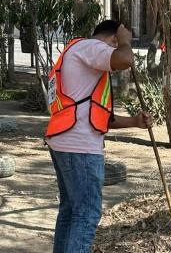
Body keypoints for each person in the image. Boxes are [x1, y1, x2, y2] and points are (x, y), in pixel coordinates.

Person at [45, 20, 153, 252]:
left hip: (64, 140)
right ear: (112, 39)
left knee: (71, 212)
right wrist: (125, 39)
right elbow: (125, 60)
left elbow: (99, 116)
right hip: (80, 148)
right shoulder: (91, 47)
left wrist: (134, 122)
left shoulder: (78, 54)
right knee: (87, 214)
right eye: (117, 42)